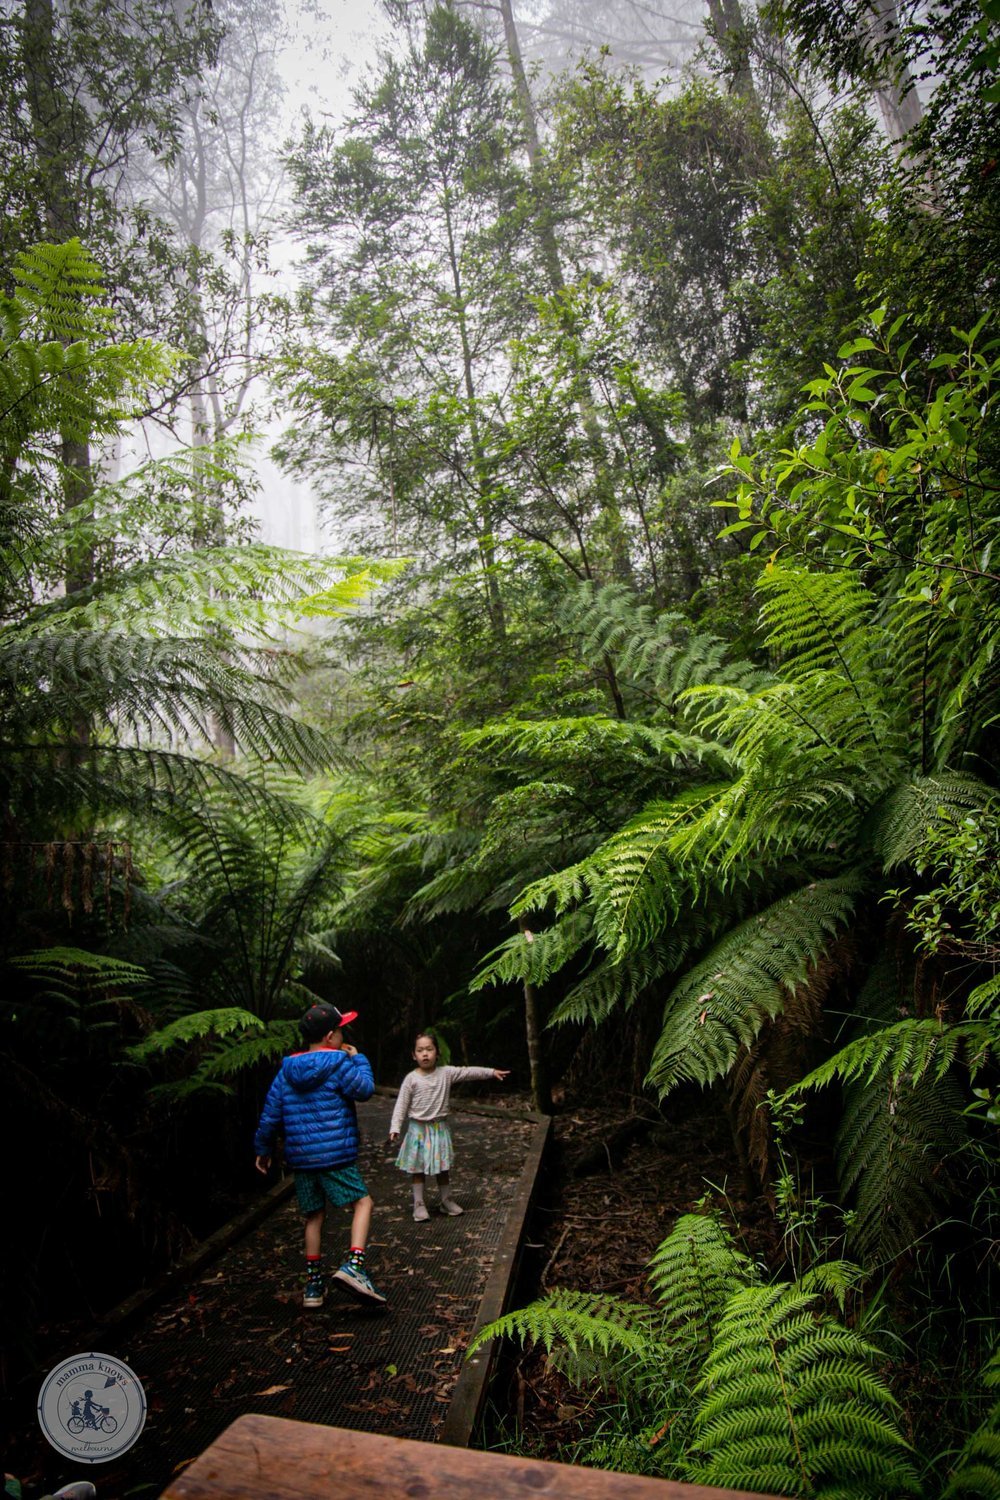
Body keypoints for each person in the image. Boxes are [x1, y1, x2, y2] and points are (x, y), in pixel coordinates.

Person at [254, 1002, 385, 1308]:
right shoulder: (340, 1064)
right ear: (330, 1036)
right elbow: (365, 1089)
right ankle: (354, 1266)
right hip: (335, 1155)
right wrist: (359, 1059)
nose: (343, 1035)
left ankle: (313, 1287)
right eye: (341, 1030)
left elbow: (270, 1114)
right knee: (363, 1203)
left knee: (314, 1216)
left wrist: (263, 1149)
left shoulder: (287, 1071)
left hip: (301, 1159)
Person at [388, 1031, 509, 1221]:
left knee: (442, 1168)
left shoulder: (446, 1073)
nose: (425, 1054)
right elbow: (401, 1104)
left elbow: (468, 1072)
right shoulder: (411, 1079)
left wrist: (491, 1072)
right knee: (417, 1168)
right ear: (414, 1055)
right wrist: (395, 1127)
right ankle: (419, 1204)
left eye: (429, 1049)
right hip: (418, 1129)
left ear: (437, 1052)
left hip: (439, 1129)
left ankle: (446, 1200)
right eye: (420, 1050)